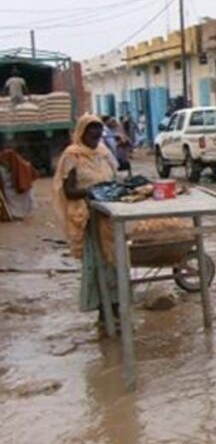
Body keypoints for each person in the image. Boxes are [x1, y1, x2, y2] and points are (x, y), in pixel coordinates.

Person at [52, 115, 118, 320]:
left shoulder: (103, 153)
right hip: (90, 218)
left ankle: (116, 305)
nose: (96, 136)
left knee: (115, 262)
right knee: (99, 263)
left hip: (111, 217)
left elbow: (115, 178)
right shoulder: (73, 156)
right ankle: (103, 310)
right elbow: (69, 191)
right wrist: (93, 191)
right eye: (92, 131)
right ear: (82, 132)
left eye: (99, 131)